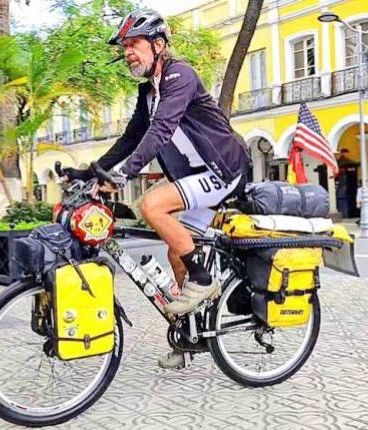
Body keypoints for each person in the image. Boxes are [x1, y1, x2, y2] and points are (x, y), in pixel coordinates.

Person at [62, 9, 251, 368]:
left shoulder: (181, 76)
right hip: (196, 176)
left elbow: (160, 131)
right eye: (126, 46)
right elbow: (131, 139)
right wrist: (92, 172)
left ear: (159, 45)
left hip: (223, 170)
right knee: (174, 253)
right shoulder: (148, 92)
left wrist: (122, 177)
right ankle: (191, 334)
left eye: (134, 44)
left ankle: (203, 278)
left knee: (152, 205)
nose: (129, 51)